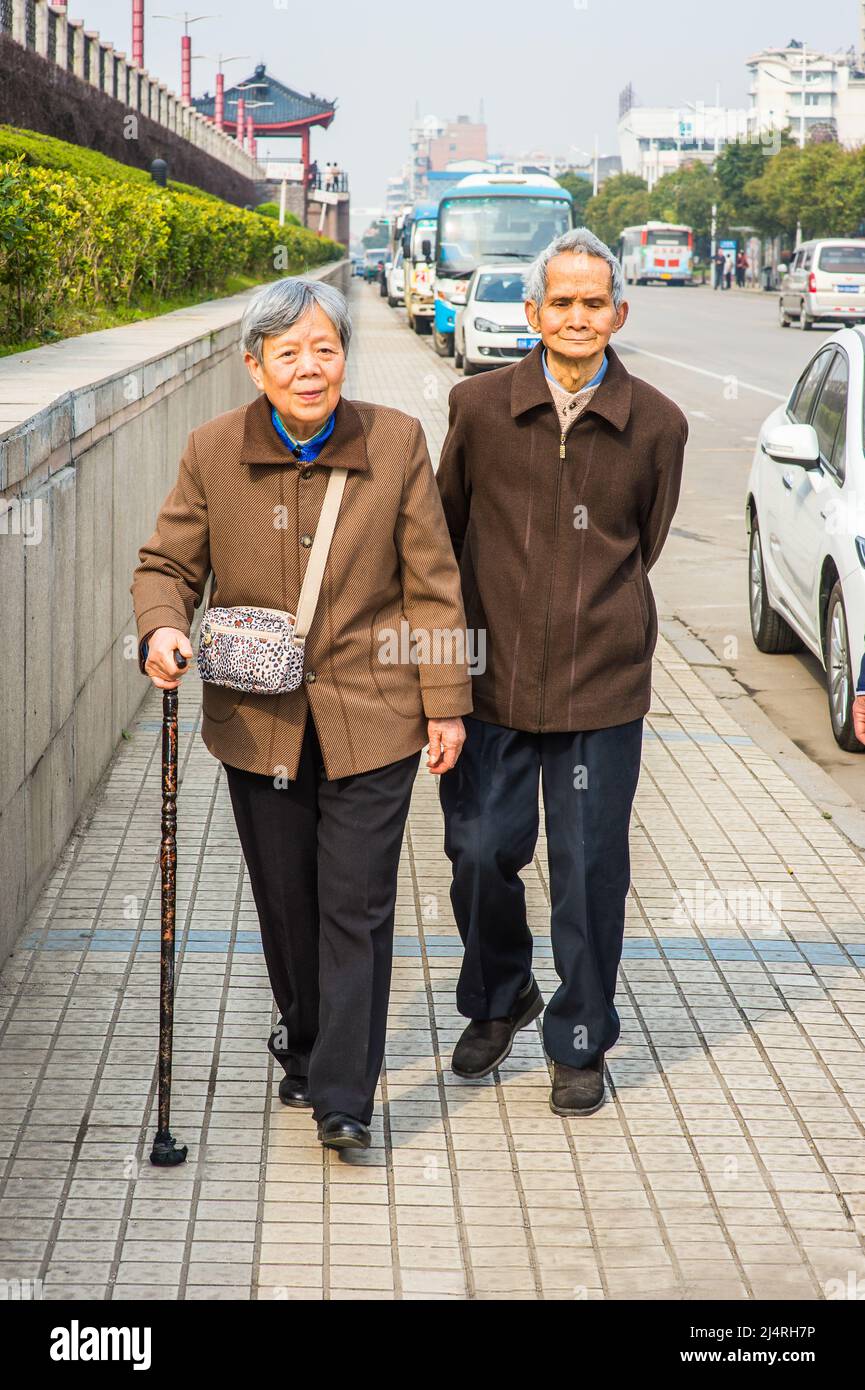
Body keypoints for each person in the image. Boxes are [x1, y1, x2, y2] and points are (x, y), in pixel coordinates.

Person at [131, 278, 472, 1151]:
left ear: (344, 357)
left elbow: (434, 587)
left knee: (355, 905)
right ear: (254, 366)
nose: (310, 369)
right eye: (288, 353)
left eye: (325, 349)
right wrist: (163, 628)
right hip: (260, 720)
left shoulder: (394, 443)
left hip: (375, 713)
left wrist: (445, 706)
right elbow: (166, 564)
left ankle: (342, 1098)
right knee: (286, 904)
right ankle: (308, 1037)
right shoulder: (213, 452)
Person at [436, 228, 688, 1117]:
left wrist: (597, 618)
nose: (577, 317)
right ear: (534, 313)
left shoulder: (656, 422)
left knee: (587, 872)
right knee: (476, 853)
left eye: (594, 303)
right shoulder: (476, 409)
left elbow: (643, 544)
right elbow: (442, 540)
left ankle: (579, 1038)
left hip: (600, 686)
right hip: (489, 682)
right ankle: (502, 993)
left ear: (618, 313)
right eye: (561, 302)